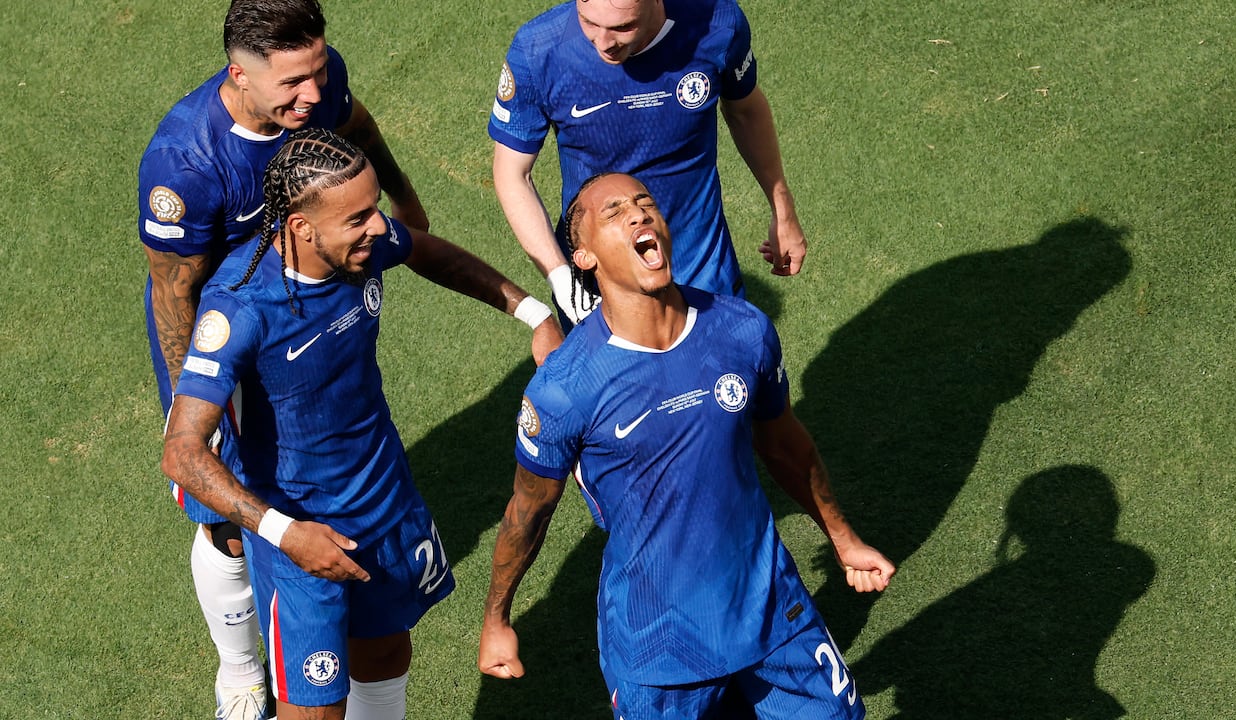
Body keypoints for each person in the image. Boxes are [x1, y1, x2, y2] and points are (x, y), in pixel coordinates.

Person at [162, 128, 562, 720]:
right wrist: (283, 534)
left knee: (385, 658)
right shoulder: (240, 308)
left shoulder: (361, 244)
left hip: (386, 501)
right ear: (300, 228)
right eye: (358, 218)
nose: (377, 227)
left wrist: (531, 313)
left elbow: (425, 250)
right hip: (302, 535)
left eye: (374, 208)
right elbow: (182, 452)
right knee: (315, 709)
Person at [477, 173, 894, 719]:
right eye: (614, 213)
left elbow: (788, 448)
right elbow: (526, 513)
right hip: (657, 652)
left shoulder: (741, 330)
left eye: (645, 203)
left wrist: (843, 539)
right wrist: (496, 619)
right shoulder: (565, 389)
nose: (638, 214)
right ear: (583, 258)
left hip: (772, 613)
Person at [137, 2, 428, 717]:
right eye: (294, 83)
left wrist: (408, 206)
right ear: (239, 74)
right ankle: (240, 670)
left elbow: (358, 132)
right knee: (228, 517)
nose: (312, 95)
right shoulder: (186, 162)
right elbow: (175, 292)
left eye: (319, 74)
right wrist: (198, 409)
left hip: (303, 330)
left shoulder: (319, 85)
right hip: (221, 355)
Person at [490, 0, 807, 325]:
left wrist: (782, 211)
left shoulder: (717, 23)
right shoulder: (538, 49)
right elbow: (512, 173)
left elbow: (746, 112)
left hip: (704, 270)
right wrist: (560, 278)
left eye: (622, 28)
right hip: (605, 288)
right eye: (588, 22)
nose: (603, 43)